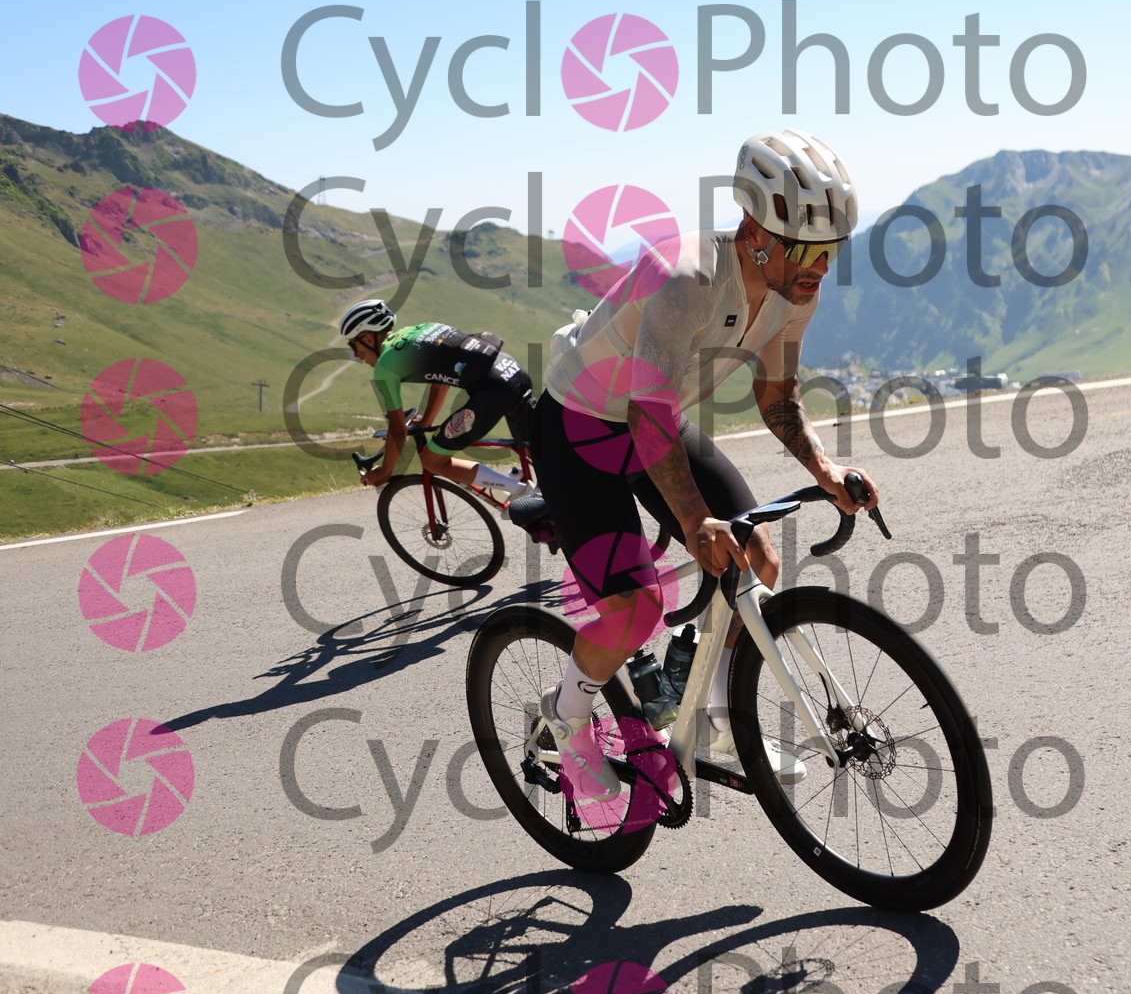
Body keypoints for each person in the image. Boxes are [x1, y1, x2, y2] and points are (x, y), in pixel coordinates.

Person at [531, 128, 880, 799]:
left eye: (832, 250)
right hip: (581, 423)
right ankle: (565, 721)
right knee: (635, 609)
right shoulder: (687, 275)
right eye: (806, 249)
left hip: (653, 417)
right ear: (755, 231)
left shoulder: (795, 289)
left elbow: (776, 395)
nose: (820, 267)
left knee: (758, 556)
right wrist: (694, 521)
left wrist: (826, 471)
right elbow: (645, 414)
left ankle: (719, 718)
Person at [339, 299, 533, 497]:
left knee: (432, 460)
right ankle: (544, 498)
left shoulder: (385, 366)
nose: (357, 355)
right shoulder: (418, 330)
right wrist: (426, 421)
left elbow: (397, 431)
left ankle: (522, 492)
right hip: (513, 370)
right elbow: (441, 381)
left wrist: (383, 472)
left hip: (493, 391)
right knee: (533, 450)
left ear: (368, 339)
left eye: (354, 346)